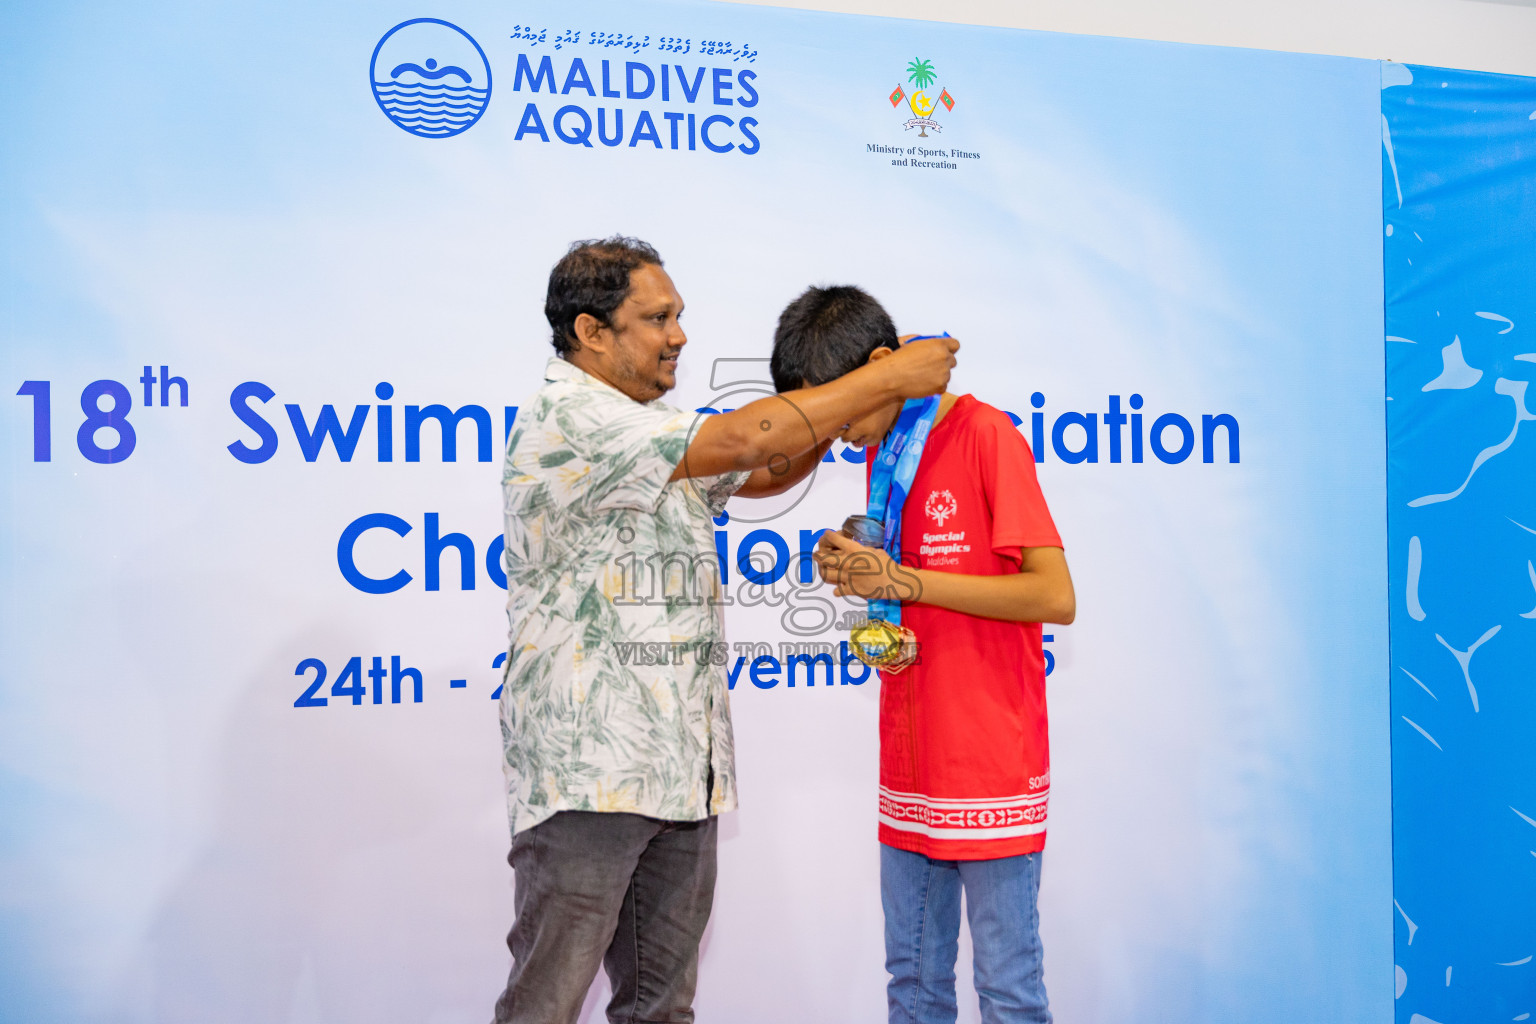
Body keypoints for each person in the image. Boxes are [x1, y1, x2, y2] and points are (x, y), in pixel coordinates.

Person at [493, 239, 960, 1024]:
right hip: (592, 777)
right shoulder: (572, 418)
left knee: (663, 1008)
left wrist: (846, 387)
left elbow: (766, 467)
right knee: (546, 1006)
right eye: (657, 318)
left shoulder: (653, 425)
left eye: (679, 316)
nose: (679, 335)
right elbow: (746, 439)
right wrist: (886, 376)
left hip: (681, 770)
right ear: (591, 331)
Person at [773, 285, 1075, 1024]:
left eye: (840, 408)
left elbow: (1054, 595)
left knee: (1007, 990)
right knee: (912, 987)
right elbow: (911, 590)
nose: (836, 434)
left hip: (988, 762)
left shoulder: (984, 434)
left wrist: (906, 579)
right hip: (911, 758)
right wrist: (863, 576)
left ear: (883, 368)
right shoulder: (883, 456)